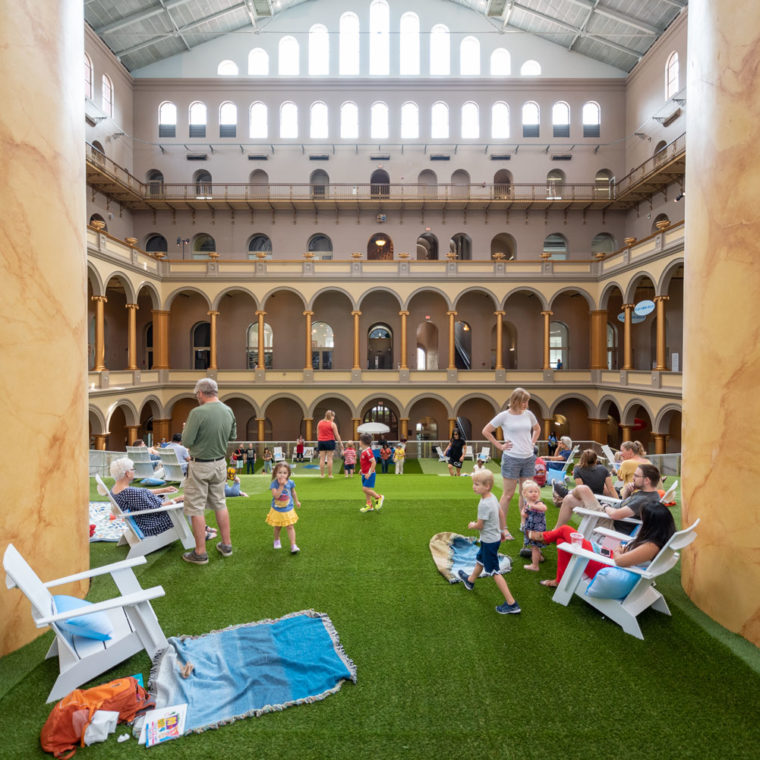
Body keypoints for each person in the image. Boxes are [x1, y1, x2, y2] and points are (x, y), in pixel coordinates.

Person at [529, 500, 676, 588]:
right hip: (611, 560)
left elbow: (619, 560)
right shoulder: (656, 538)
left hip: (608, 567)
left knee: (566, 530)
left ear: (651, 522)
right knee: (562, 540)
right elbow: (631, 556)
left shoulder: (651, 546)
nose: (641, 520)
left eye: (643, 518)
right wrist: (622, 550)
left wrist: (618, 550)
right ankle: (558, 580)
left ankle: (543, 537)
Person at [180, 377, 237, 565]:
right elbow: (232, 436)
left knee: (196, 507)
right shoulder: (228, 410)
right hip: (220, 463)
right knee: (220, 503)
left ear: (200, 393)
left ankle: (200, 552)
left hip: (200, 465)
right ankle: (226, 545)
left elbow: (187, 441)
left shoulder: (197, 412)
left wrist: (187, 429)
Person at [457, 469, 521, 615]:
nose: (474, 486)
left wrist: (473, 525)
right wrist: (503, 530)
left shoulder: (484, 504)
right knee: (481, 558)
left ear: (487, 486)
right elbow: (501, 514)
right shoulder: (492, 497)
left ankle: (512, 603)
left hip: (489, 540)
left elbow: (480, 525)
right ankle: (470, 580)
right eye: (474, 484)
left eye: (477, 484)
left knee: (494, 571)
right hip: (494, 538)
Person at [482, 387, 541, 541]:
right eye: (524, 401)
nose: (526, 404)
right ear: (515, 401)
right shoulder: (504, 416)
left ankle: (524, 523)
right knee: (508, 495)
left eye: (527, 401)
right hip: (511, 458)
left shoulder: (529, 414)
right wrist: (500, 446)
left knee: (526, 493)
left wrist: (532, 443)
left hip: (528, 458)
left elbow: (537, 429)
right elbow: (486, 431)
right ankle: (502, 528)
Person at [553, 463, 664, 532]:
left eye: (636, 476)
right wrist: (628, 492)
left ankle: (565, 492)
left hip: (610, 523)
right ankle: (555, 532)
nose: (633, 478)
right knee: (569, 500)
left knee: (583, 489)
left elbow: (616, 514)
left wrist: (605, 506)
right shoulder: (646, 494)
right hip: (608, 516)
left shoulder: (645, 499)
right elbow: (624, 503)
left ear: (647, 480)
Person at [109, 457, 183, 537]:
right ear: (127, 473)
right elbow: (156, 508)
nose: (134, 471)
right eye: (133, 469)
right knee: (187, 502)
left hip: (140, 520)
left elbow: (143, 491)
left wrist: (163, 490)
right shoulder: (131, 493)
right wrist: (177, 499)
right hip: (150, 524)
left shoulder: (115, 488)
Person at [267, 462, 301, 553]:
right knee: (278, 527)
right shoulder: (274, 484)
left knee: (290, 526)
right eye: (280, 472)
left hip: (288, 508)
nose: (282, 475)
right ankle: (277, 539)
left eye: (285, 473)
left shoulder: (291, 482)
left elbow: (293, 492)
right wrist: (281, 486)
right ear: (275, 473)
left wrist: (297, 501)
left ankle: (293, 545)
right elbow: (276, 496)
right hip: (277, 509)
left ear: (288, 474)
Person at [520, 479, 547, 572]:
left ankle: (535, 566)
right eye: (531, 492)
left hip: (537, 529)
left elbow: (544, 508)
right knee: (534, 545)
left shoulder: (537, 503)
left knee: (534, 547)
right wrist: (523, 512)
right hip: (530, 528)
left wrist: (533, 506)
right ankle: (539, 558)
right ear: (525, 494)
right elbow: (525, 514)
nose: (534, 493)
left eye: (536, 491)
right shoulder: (527, 503)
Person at [358, 433, 384, 513]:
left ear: (362, 442)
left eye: (359, 440)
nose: (359, 442)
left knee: (365, 489)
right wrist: (362, 470)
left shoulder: (368, 451)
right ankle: (369, 505)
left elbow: (374, 462)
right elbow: (366, 463)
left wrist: (369, 473)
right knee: (367, 490)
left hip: (370, 474)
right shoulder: (364, 451)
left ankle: (378, 497)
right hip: (365, 474)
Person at [317, 409, 344, 478]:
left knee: (322, 459)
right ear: (330, 416)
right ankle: (330, 475)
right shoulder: (332, 424)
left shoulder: (319, 423)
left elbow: (318, 433)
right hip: (329, 442)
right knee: (329, 458)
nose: (333, 418)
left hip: (321, 442)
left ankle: (322, 475)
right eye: (333, 416)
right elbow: (337, 435)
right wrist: (341, 444)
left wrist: (319, 440)